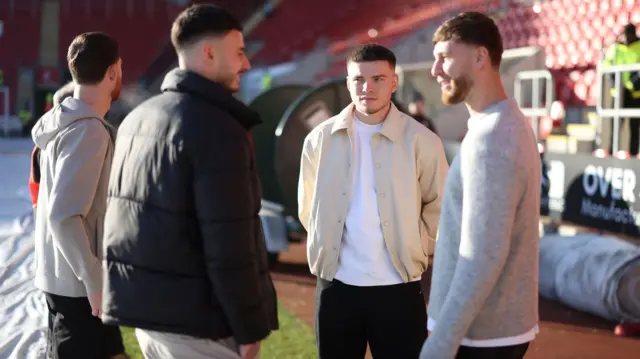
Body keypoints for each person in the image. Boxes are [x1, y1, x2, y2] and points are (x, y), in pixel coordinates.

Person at [100, 4, 278, 359]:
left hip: (149, 319)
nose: (247, 64)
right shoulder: (217, 129)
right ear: (209, 53)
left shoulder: (137, 118)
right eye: (240, 52)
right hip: (199, 327)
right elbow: (229, 242)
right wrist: (248, 326)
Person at [298, 44, 449, 359]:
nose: (367, 88)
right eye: (358, 79)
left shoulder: (423, 141)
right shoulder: (319, 140)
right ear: (347, 82)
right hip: (336, 290)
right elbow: (307, 208)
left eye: (378, 79)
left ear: (394, 82)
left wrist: (417, 247)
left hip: (399, 291)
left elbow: (441, 209)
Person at [420, 12, 540, 359]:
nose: (435, 70)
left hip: (479, 338)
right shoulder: (505, 122)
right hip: (489, 332)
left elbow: (482, 257)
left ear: (480, 57)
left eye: (444, 56)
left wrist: (440, 343)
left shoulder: (492, 138)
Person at [30, 32, 126, 359]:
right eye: (120, 69)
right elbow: (64, 215)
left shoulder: (70, 124)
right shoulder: (88, 131)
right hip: (79, 287)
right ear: (112, 72)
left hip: (66, 279)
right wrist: (94, 280)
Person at [603, 23, 640, 156]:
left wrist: (634, 82)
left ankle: (634, 153)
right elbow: (606, 65)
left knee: (635, 125)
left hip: (635, 93)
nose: (626, 38)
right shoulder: (615, 48)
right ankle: (613, 151)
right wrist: (614, 82)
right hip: (618, 92)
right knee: (616, 123)